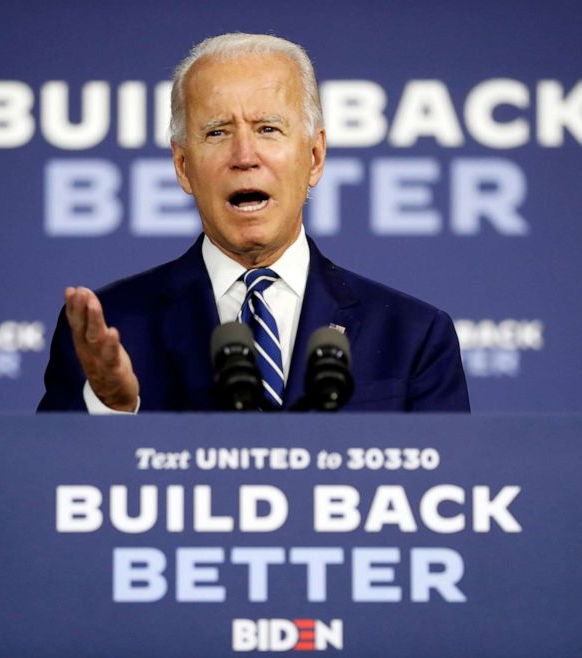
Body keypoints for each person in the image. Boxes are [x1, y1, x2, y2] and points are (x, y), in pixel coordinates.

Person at [38, 33, 469, 413]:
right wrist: (112, 410)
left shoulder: (414, 335)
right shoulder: (111, 329)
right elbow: (55, 491)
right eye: (217, 133)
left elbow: (449, 491)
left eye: (267, 129)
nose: (244, 157)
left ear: (314, 157)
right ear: (183, 166)